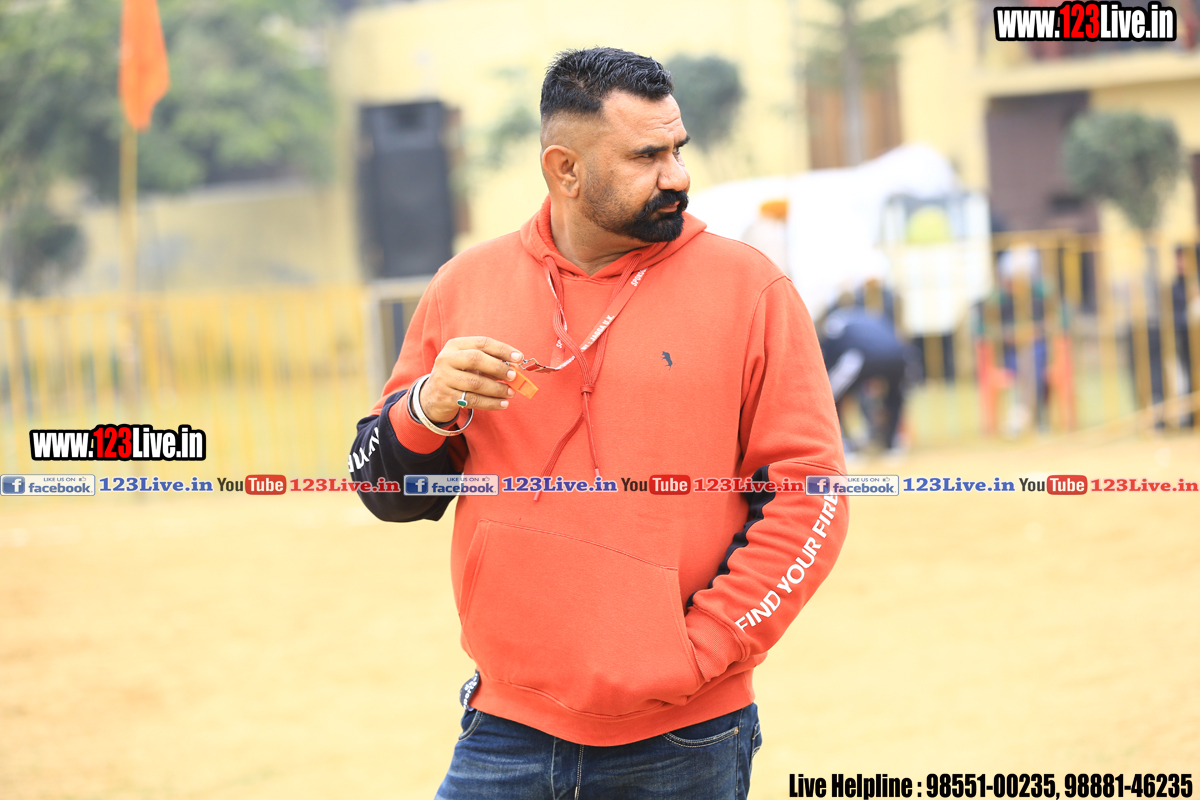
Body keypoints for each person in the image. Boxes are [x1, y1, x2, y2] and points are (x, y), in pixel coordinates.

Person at [348, 47, 848, 799]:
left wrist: (703, 650)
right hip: (504, 730)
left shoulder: (751, 289)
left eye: (677, 149)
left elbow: (811, 499)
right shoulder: (465, 286)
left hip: (686, 740)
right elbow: (384, 493)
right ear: (565, 170)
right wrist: (426, 407)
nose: (676, 175)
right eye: (647, 156)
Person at [818, 305, 910, 455]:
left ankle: (842, 446)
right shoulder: (872, 316)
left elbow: (829, 355)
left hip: (860, 356)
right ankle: (893, 444)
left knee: (829, 398)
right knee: (895, 396)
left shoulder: (835, 321)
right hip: (898, 355)